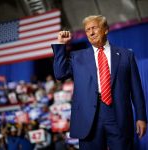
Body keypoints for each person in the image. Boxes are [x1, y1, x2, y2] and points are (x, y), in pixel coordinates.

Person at [51, 15, 147, 150]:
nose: (91, 32)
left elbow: (136, 89)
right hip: (89, 119)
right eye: (87, 30)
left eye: (94, 28)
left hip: (118, 116)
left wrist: (141, 117)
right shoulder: (77, 57)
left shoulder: (126, 55)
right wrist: (61, 45)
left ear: (106, 29)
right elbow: (60, 74)